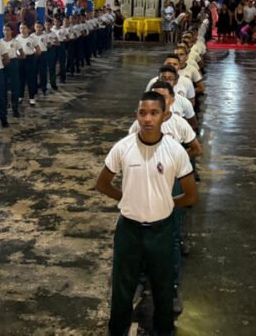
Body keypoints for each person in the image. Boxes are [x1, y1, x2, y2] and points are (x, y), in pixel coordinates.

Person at [95, 91, 198, 336]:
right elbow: (102, 183)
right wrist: (128, 198)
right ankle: (117, 331)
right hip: (128, 231)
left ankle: (163, 331)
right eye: (142, 113)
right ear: (136, 116)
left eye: (154, 113)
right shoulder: (123, 147)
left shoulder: (175, 151)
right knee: (122, 288)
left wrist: (167, 203)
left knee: (162, 289)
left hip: (161, 230)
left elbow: (191, 195)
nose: (147, 119)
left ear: (164, 116)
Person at [1, 24, 23, 118]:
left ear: (12, 31)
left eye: (8, 30)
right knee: (3, 86)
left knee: (15, 86)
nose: (6, 32)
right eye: (4, 30)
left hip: (13, 63)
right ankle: (4, 106)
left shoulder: (16, 42)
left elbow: (23, 55)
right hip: (2, 64)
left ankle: (15, 107)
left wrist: (15, 57)